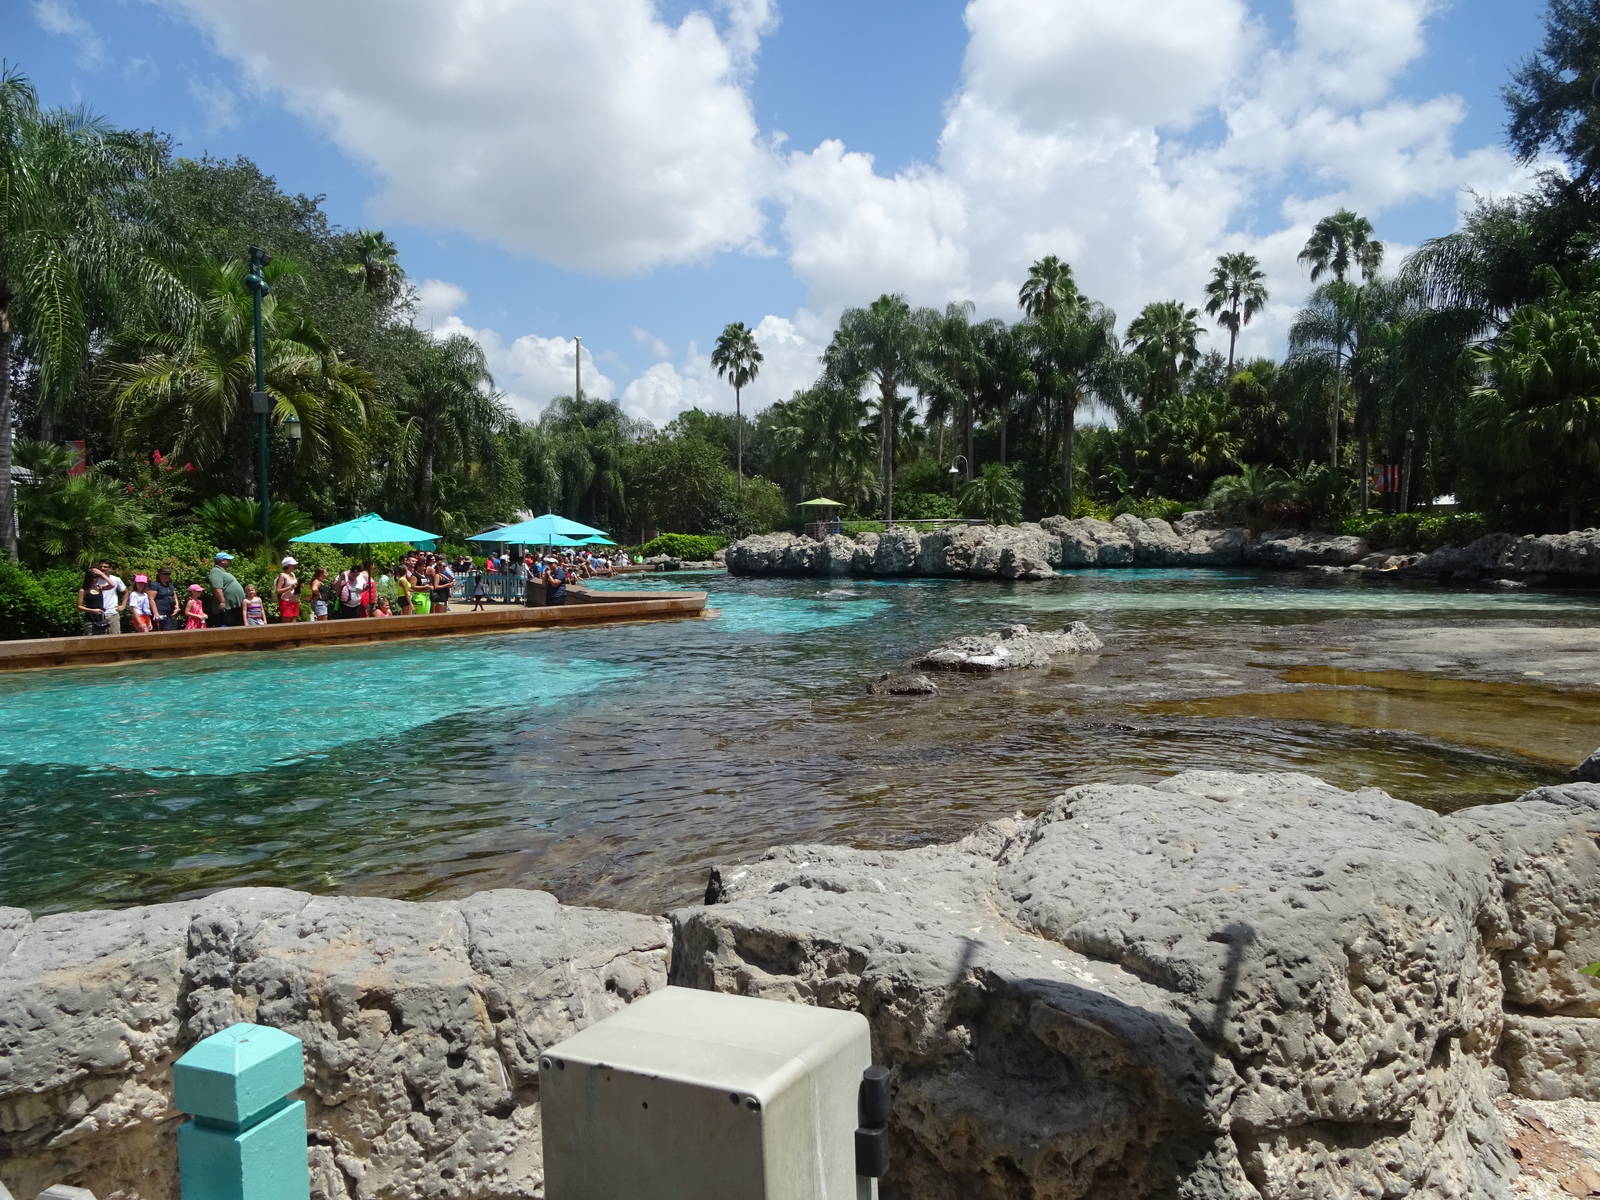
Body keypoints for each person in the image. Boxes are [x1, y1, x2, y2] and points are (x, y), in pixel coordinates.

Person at [208, 552, 246, 627]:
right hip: (226, 608)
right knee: (226, 628)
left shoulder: (222, 571)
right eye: (228, 559)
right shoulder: (215, 571)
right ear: (222, 561)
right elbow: (217, 587)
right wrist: (222, 601)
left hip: (233, 608)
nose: (230, 561)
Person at [91, 559, 128, 633]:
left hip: (112, 613)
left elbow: (125, 592)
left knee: (115, 639)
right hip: (97, 614)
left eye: (105, 567)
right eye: (101, 567)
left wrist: (123, 605)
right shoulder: (94, 580)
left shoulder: (116, 579)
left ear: (110, 569)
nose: (102, 568)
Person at [76, 568, 112, 636]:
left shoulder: (99, 588)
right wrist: (92, 610)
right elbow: (79, 607)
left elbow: (112, 585)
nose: (95, 580)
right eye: (93, 578)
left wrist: (101, 574)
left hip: (101, 619)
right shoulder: (83, 590)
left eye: (97, 577)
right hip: (90, 620)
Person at [275, 557, 301, 623]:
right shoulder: (282, 576)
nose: (294, 566)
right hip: (286, 602)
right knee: (286, 625)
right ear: (288, 565)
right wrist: (290, 587)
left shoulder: (293, 574)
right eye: (293, 565)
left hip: (295, 601)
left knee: (294, 623)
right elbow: (278, 591)